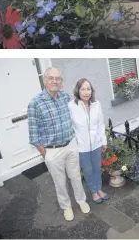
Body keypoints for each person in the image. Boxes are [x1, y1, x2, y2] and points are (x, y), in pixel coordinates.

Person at [27, 68, 89, 221]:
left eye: (58, 78)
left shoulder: (66, 97)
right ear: (45, 80)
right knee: (59, 182)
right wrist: (46, 155)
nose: (55, 81)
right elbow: (34, 135)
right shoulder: (35, 103)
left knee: (75, 177)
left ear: (61, 82)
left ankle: (81, 200)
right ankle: (66, 207)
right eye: (51, 78)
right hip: (52, 151)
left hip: (70, 145)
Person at [68, 78, 108, 204]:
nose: (86, 92)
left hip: (96, 144)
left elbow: (101, 124)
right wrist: (75, 144)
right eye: (83, 89)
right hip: (82, 146)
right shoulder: (72, 106)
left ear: (92, 90)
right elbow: (70, 127)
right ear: (78, 91)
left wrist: (103, 141)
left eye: (88, 89)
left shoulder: (97, 104)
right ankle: (93, 191)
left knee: (97, 167)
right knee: (88, 170)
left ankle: (99, 188)